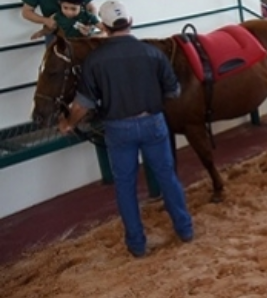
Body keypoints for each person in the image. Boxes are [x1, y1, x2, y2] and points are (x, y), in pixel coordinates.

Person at [57, 0, 194, 258]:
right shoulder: (153, 53)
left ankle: (137, 245)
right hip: (153, 123)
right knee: (167, 177)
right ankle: (185, 230)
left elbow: (82, 104)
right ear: (130, 22)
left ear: (106, 27)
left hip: (118, 129)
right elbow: (173, 91)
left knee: (125, 186)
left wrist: (68, 124)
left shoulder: (95, 60)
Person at [21, 0, 96, 46]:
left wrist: (90, 25)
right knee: (56, 65)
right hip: (55, 32)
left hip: (80, 33)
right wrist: (46, 21)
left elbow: (91, 8)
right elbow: (26, 12)